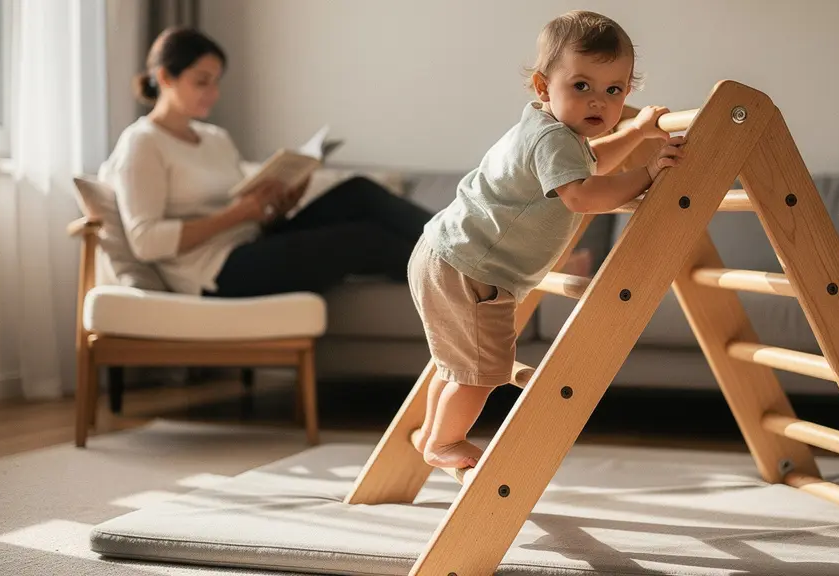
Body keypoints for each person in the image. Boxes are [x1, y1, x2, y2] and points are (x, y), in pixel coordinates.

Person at [408, 10, 687, 470]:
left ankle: (435, 436)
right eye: (582, 86)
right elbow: (581, 194)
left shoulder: (547, 131)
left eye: (613, 90)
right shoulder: (554, 141)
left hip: (446, 253)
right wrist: (648, 172)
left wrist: (635, 132)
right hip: (474, 268)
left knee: (456, 366)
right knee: (481, 374)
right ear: (543, 87)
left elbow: (590, 163)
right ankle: (444, 441)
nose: (599, 101)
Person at [99, 26, 435, 299]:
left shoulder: (215, 138)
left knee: (358, 191)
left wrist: (280, 205)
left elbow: (247, 215)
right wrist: (237, 214)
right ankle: (457, 275)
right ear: (165, 77)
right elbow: (145, 242)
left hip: (255, 243)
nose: (213, 92)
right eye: (201, 81)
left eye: (216, 81)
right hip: (216, 272)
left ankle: (456, 241)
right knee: (364, 239)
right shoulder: (142, 143)